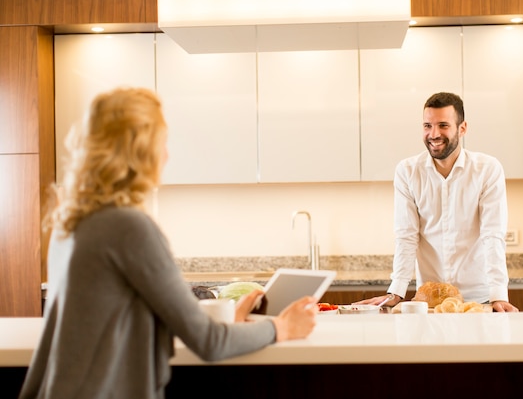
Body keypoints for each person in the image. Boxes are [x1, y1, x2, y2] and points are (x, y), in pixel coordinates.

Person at [18, 87, 317, 399]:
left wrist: (234, 321)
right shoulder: (128, 227)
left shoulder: (70, 223)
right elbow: (209, 343)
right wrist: (281, 328)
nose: (167, 155)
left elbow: (118, 320)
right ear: (141, 150)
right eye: (162, 142)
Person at [356, 92, 518, 313]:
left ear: (462, 128)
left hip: (477, 299)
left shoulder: (487, 169)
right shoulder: (408, 171)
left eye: (443, 125)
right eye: (427, 126)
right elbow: (406, 235)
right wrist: (396, 291)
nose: (434, 134)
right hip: (429, 302)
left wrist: (499, 294)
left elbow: (493, 234)